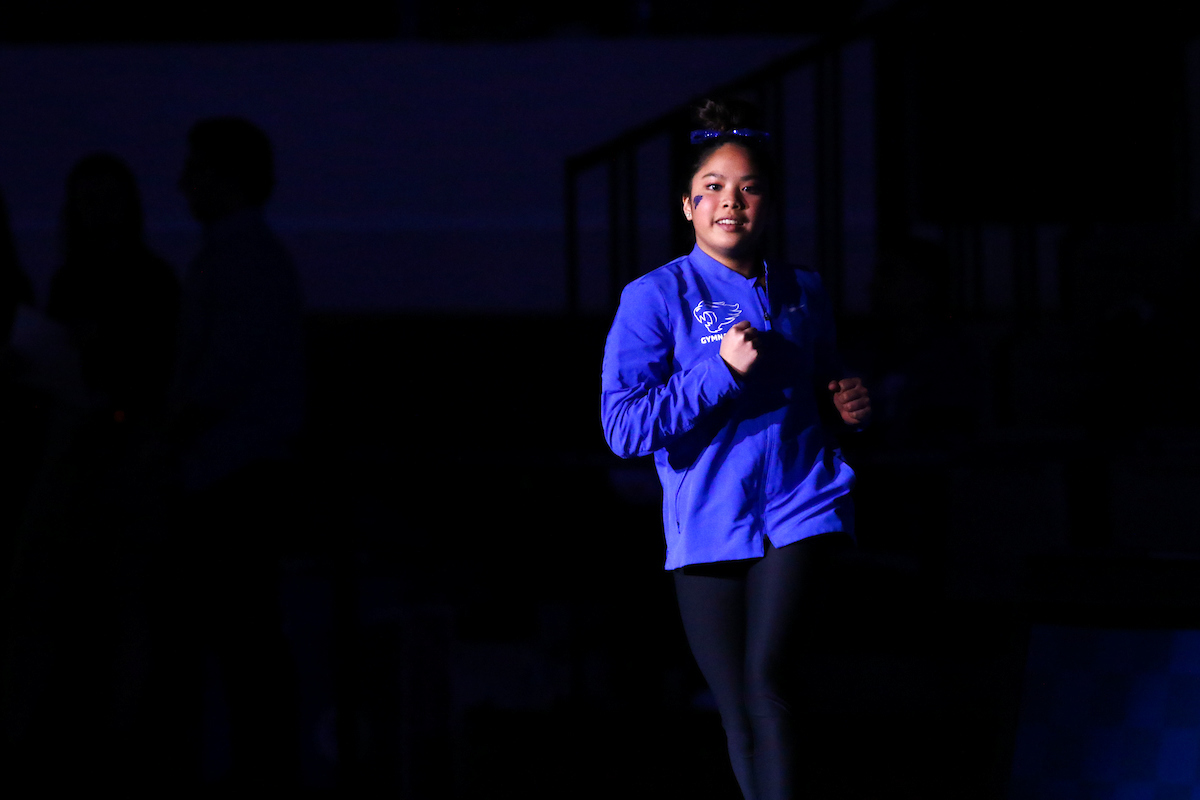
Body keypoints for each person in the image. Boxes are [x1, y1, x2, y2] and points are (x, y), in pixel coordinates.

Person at [600, 99, 871, 800]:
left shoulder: (804, 288)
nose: (732, 201)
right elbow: (624, 428)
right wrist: (718, 370)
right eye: (714, 187)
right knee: (736, 708)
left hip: (800, 500)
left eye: (749, 187)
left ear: (769, 203)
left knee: (767, 679)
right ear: (687, 205)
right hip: (708, 515)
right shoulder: (654, 296)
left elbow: (825, 377)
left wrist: (846, 403)